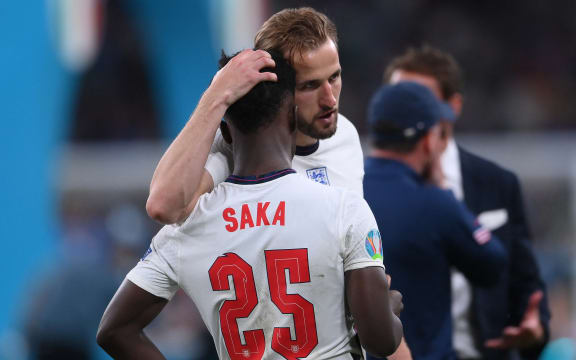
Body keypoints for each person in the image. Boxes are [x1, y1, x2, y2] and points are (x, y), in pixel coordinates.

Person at [97, 51, 404, 359]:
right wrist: (387, 309)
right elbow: (379, 340)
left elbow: (114, 330)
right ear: (292, 119)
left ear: (226, 133)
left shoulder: (186, 228)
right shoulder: (343, 208)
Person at [384, 46, 550, 360]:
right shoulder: (365, 189)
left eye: (418, 100)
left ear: (454, 107)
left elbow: (526, 284)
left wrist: (535, 328)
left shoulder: (498, 184)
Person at [145, 7, 364, 226]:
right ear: (277, 88)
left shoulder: (346, 135)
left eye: (334, 77)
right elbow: (162, 206)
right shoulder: (241, 149)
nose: (330, 100)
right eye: (310, 86)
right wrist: (216, 95)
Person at [363, 82, 508, 360]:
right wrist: (445, 192)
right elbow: (493, 265)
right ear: (428, 140)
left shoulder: (346, 190)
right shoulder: (435, 202)